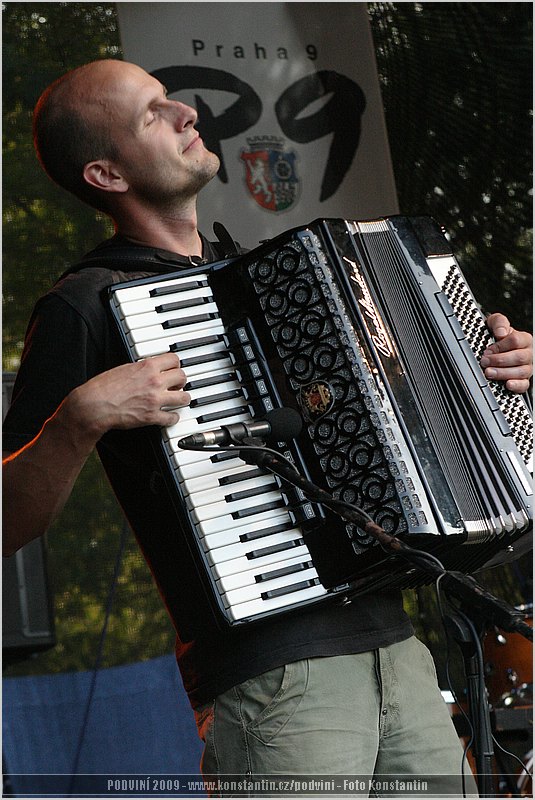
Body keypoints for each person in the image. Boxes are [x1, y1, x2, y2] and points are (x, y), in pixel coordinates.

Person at [3, 59, 533, 795]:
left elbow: (406, 419)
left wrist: (492, 374)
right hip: (273, 676)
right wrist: (77, 422)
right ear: (106, 174)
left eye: (171, 99)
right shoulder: (85, 304)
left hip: (397, 649)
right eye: (152, 113)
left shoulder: (267, 277)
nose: (187, 112)